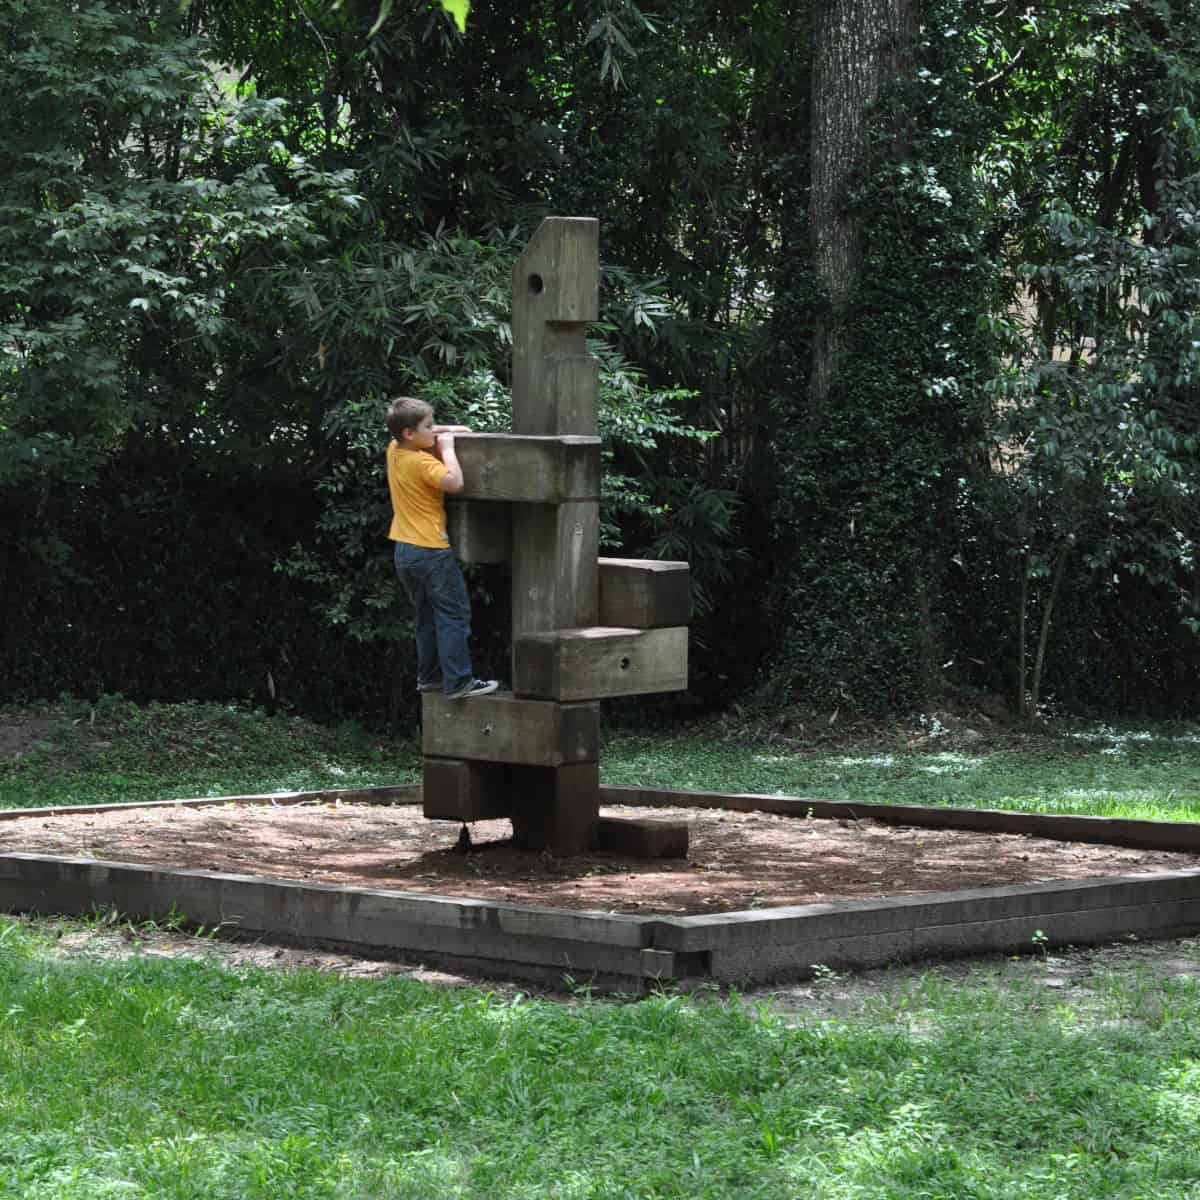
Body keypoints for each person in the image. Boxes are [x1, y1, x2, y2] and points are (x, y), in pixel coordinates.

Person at [386, 396, 498, 700]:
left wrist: (449, 429)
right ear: (411, 433)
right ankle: (460, 682)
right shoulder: (423, 462)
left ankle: (431, 679)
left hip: (405, 552)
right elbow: (454, 482)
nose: (434, 431)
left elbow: (410, 430)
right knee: (453, 615)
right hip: (431, 551)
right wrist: (447, 449)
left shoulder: (395, 450)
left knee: (425, 616)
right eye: (429, 426)